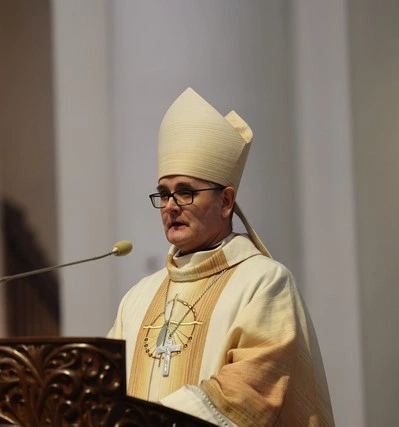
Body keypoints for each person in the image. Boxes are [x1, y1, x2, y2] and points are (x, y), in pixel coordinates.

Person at [107, 88, 334, 426]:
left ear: (226, 202)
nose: (170, 206)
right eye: (164, 194)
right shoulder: (137, 299)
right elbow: (105, 390)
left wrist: (148, 419)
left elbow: (248, 393)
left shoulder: (264, 284)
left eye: (185, 192)